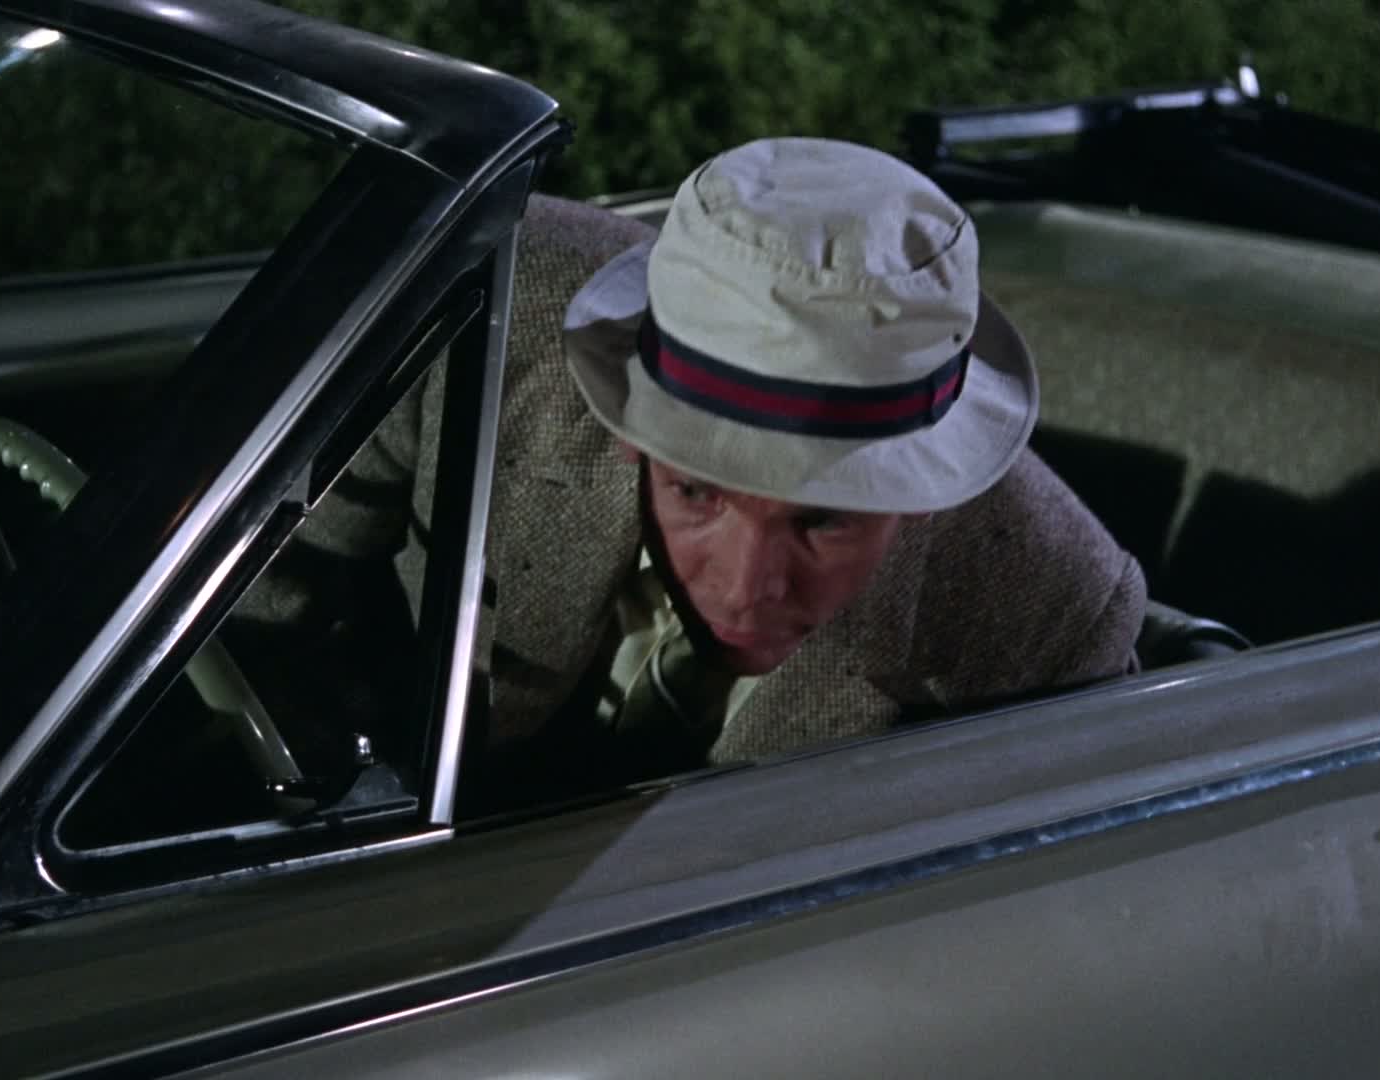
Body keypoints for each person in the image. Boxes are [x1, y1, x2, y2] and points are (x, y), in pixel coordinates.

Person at [300, 137, 1146, 807]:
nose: (745, 590)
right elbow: (270, 596)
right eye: (697, 490)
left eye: (823, 520)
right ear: (630, 432)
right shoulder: (466, 322)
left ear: (923, 499)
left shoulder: (1048, 623)